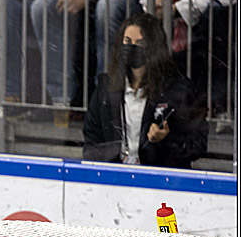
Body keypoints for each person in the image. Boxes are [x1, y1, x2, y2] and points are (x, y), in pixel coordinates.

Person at [83, 12, 208, 168]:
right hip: (115, 175)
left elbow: (198, 144)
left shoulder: (177, 90)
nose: (132, 47)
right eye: (127, 41)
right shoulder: (106, 88)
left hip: (160, 177)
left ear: (153, 47)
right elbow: (92, 138)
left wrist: (166, 139)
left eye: (140, 43)